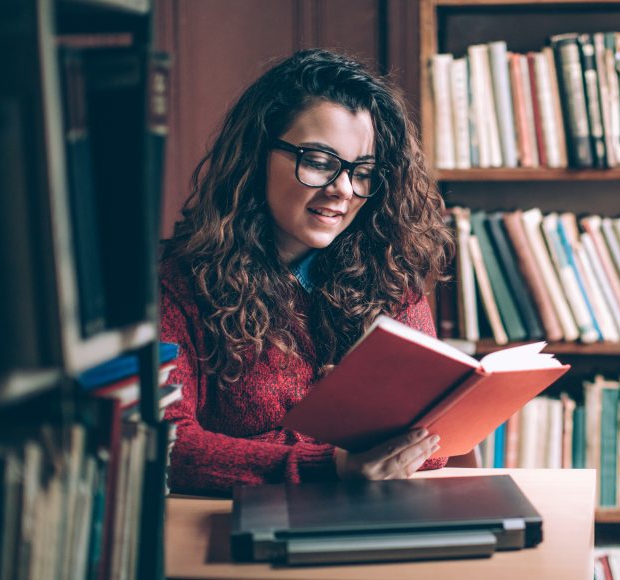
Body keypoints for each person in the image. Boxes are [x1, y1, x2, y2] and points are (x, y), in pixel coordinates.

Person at [159, 49, 454, 495]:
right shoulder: (177, 283)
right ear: (257, 155)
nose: (342, 189)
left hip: (369, 527)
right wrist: (332, 460)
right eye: (318, 161)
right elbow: (170, 447)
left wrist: (263, 450)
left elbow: (432, 444)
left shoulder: (388, 275)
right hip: (230, 533)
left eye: (363, 171)